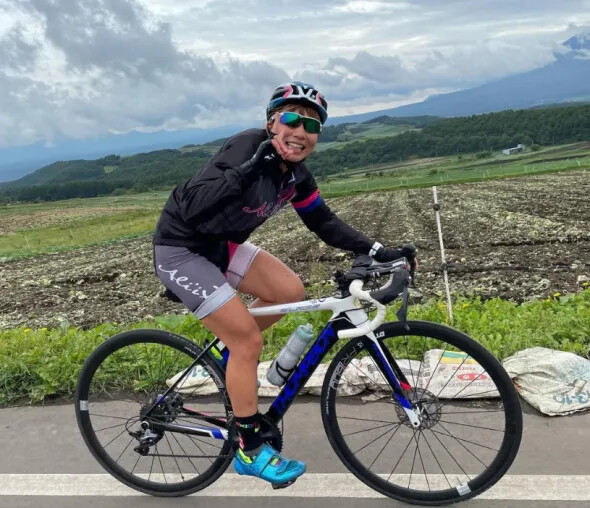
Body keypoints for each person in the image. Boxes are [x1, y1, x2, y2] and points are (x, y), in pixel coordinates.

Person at [152, 81, 417, 486]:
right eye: (291, 119)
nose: (300, 131)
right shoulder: (246, 147)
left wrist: (378, 250)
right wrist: (247, 170)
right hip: (181, 249)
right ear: (271, 123)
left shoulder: (295, 176)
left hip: (223, 247)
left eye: (312, 125)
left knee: (289, 291)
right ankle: (249, 449)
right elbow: (192, 205)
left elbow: (323, 222)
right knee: (248, 341)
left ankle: (229, 355)